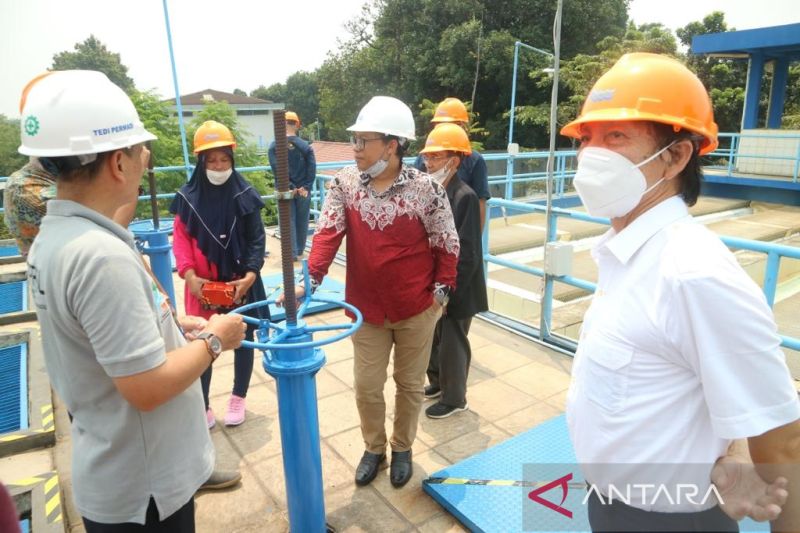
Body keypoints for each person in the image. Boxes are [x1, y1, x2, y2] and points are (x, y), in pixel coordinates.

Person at [561, 53, 800, 532]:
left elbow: (783, 438)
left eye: (616, 137)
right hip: (610, 503)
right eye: (587, 138)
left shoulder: (694, 273)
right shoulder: (625, 254)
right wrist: (728, 449)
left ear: (676, 156)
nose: (591, 154)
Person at [21, 70, 246, 531]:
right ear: (117, 164)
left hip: (113, 468)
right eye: (139, 148)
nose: (147, 158)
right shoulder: (100, 256)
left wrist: (170, 325)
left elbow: (103, 336)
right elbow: (145, 388)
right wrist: (216, 340)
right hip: (145, 492)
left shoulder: (57, 236)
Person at [283, 96, 459, 488]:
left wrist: (440, 296)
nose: (355, 150)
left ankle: (402, 448)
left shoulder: (426, 189)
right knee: (366, 386)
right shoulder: (344, 184)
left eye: (364, 141)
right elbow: (327, 236)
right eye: (355, 141)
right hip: (366, 310)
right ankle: (374, 448)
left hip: (416, 307)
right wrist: (306, 282)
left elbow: (447, 242)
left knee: (410, 385)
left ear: (392, 144)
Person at [170, 120, 269, 429]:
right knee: (203, 342)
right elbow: (182, 239)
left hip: (240, 283)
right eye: (211, 160)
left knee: (242, 339)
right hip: (200, 286)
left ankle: (238, 398)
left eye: (224, 159)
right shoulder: (187, 198)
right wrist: (189, 276)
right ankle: (203, 405)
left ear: (232, 159)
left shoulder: (245, 195)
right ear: (201, 162)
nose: (218, 165)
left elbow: (256, 239)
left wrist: (251, 275)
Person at [419, 123, 488, 419]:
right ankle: (436, 383)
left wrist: (448, 291)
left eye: (436, 157)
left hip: (459, 285)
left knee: (452, 342)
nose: (428, 163)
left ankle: (455, 397)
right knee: (434, 338)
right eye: (427, 157)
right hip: (438, 284)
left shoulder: (465, 196)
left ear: (454, 162)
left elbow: (468, 252)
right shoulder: (435, 192)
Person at [414, 97, 490, 229]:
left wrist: (476, 240)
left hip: (459, 225)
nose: (430, 163)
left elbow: (480, 202)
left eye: (450, 124)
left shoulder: (474, 160)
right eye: (440, 124)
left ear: (462, 126)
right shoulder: (424, 158)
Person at [268, 111, 317, 261]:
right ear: (297, 125)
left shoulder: (274, 146)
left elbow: (277, 169)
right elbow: (312, 168)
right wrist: (306, 187)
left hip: (285, 189)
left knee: (287, 220)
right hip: (303, 190)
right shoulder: (306, 146)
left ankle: (291, 253)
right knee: (302, 219)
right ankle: (300, 249)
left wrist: (291, 185)